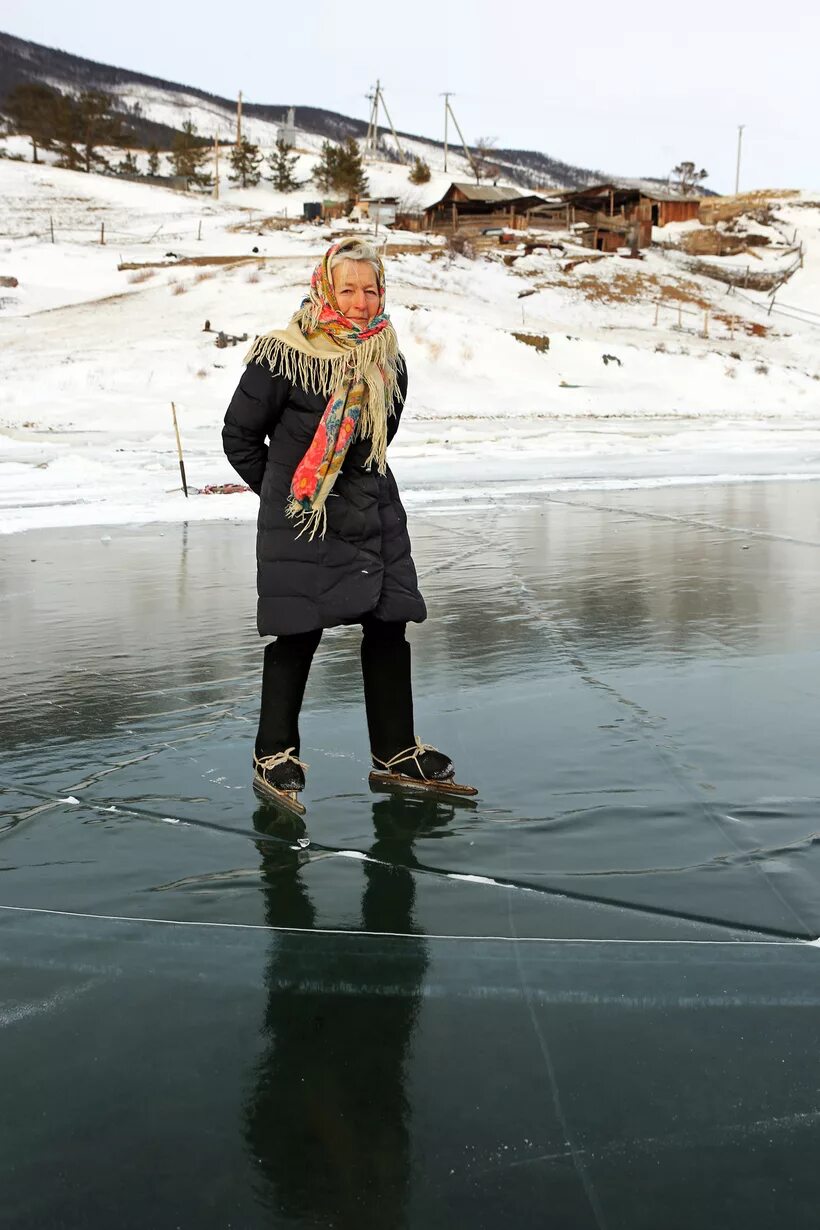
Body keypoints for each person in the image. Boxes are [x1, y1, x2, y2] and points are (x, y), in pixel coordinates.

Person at [222, 236, 456, 806]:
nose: (359, 301)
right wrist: (291, 498)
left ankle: (395, 751)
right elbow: (240, 437)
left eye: (370, 289)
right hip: (307, 518)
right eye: (347, 288)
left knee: (388, 625)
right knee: (298, 630)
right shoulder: (285, 352)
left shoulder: (389, 361)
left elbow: (381, 438)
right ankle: (273, 753)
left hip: (374, 510)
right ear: (326, 287)